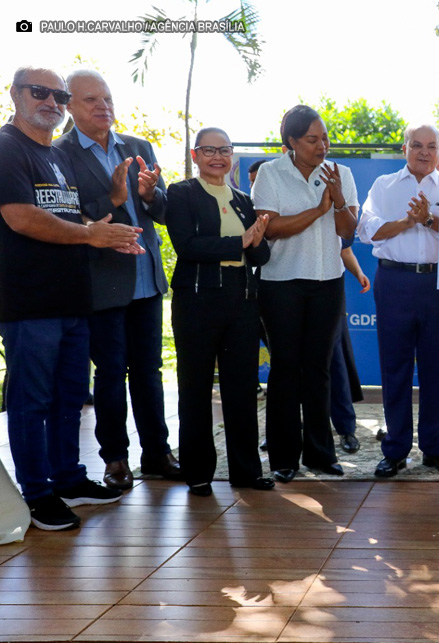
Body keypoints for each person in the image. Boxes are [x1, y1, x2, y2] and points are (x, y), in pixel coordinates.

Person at [0, 67, 143, 530]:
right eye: (39, 92)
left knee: (67, 400)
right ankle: (38, 494)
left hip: (72, 301)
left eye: (58, 95)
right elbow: (22, 217)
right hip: (29, 303)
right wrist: (90, 235)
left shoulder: (54, 157)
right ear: (15, 94)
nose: (51, 101)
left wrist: (111, 218)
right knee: (31, 401)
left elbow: (77, 219)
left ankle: (69, 479)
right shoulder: (6, 148)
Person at [56, 70, 179, 491]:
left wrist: (149, 196)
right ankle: (115, 459)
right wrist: (112, 198)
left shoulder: (138, 147)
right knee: (110, 373)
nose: (102, 106)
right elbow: (66, 218)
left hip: (146, 280)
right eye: (91, 100)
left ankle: (158, 453)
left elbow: (163, 212)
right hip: (102, 281)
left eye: (106, 98)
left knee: (150, 370)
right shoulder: (61, 154)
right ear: (69, 105)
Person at [252, 105, 358, 483]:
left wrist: (338, 200)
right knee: (285, 368)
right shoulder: (270, 173)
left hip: (327, 282)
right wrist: (318, 210)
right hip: (280, 283)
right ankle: (283, 457)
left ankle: (320, 454)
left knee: (319, 368)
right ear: (292, 142)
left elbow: (347, 231)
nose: (322, 146)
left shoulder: (341, 173)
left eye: (325, 138)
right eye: (312, 139)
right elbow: (270, 228)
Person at [166, 127, 274, 497]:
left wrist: (257, 240)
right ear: (195, 156)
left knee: (242, 389)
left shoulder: (243, 199)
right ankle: (198, 474)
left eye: (224, 150)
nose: (217, 157)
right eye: (209, 150)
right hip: (197, 300)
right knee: (195, 389)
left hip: (241, 300)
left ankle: (246, 472)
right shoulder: (181, 193)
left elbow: (259, 256)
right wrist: (239, 242)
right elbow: (187, 245)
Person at [357, 124, 439, 477]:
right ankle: (396, 448)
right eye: (417, 145)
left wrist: (428, 219)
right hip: (394, 280)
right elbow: (367, 230)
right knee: (395, 367)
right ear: (405, 149)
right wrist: (406, 221)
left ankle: (434, 447)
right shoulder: (384, 186)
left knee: (435, 367)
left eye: (432, 146)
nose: (425, 152)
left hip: (438, 283)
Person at [330, 241, 370, 454]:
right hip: (286, 284)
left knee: (336, 360)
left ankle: (346, 428)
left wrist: (358, 272)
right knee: (290, 362)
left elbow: (344, 249)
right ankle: (287, 428)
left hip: (329, 285)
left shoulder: (333, 208)